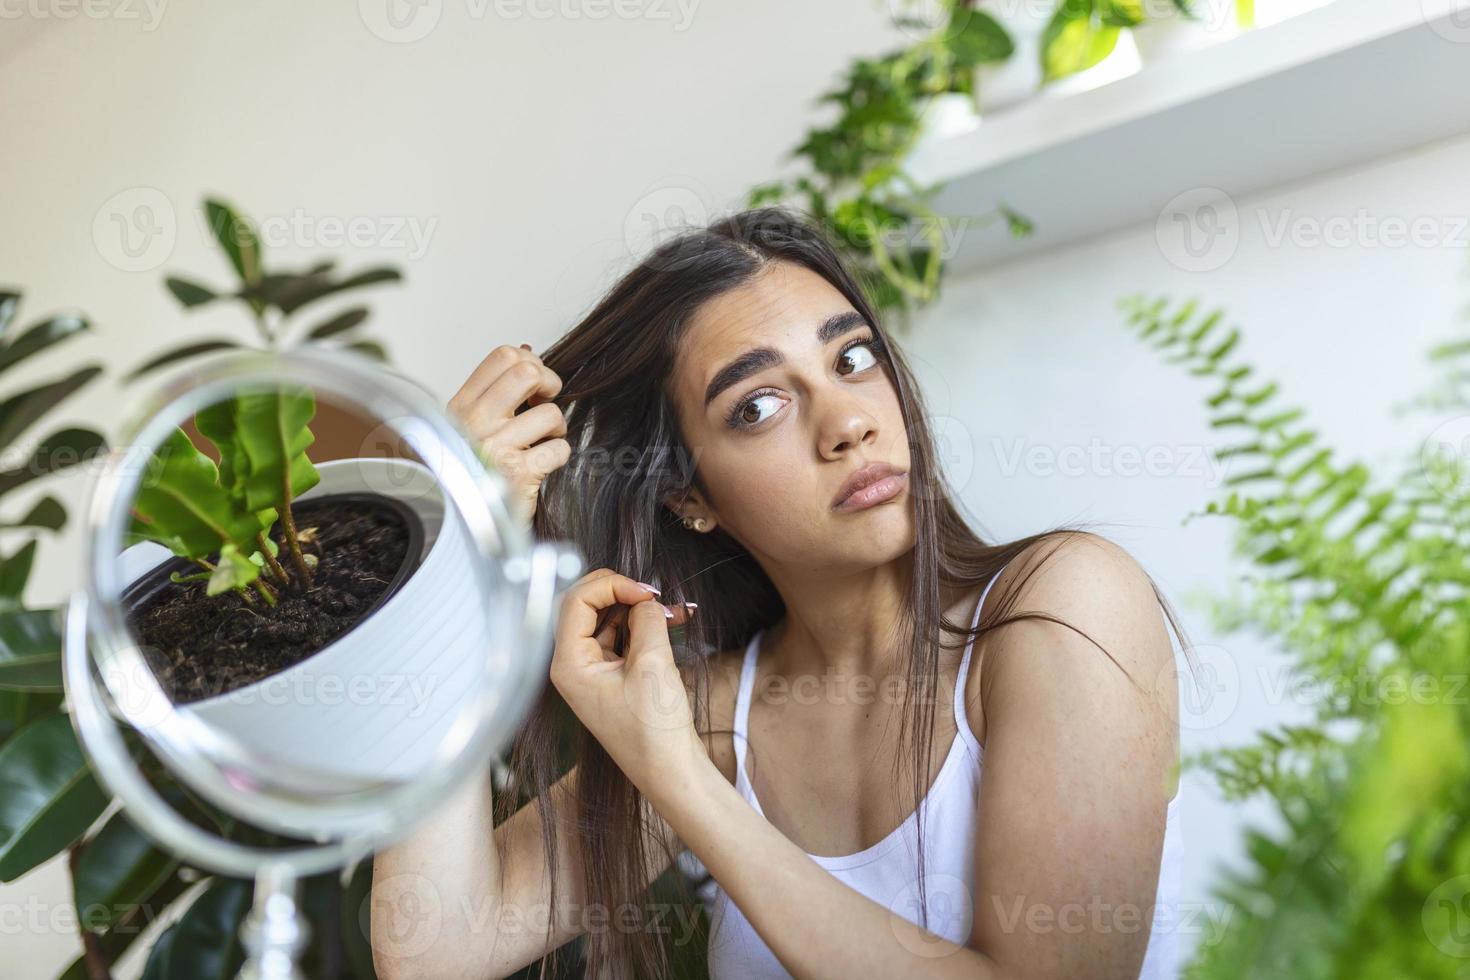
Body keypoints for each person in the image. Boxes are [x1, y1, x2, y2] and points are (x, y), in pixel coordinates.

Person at [371, 207, 1190, 980]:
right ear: (689, 497)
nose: (848, 424)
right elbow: (434, 948)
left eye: (853, 359)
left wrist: (680, 781)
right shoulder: (705, 716)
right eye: (759, 406)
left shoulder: (1065, 604)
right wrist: (453, 572)